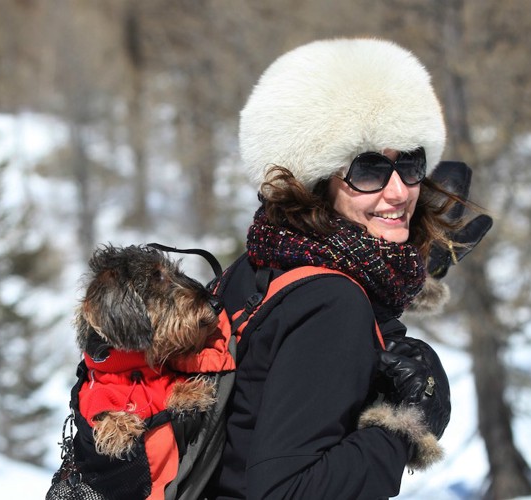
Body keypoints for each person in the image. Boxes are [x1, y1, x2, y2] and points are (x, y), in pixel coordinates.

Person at [203, 37, 488, 500]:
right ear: (316, 180)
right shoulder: (331, 302)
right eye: (369, 170)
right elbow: (286, 492)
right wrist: (404, 425)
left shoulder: (259, 264)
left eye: (410, 164)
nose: (398, 193)